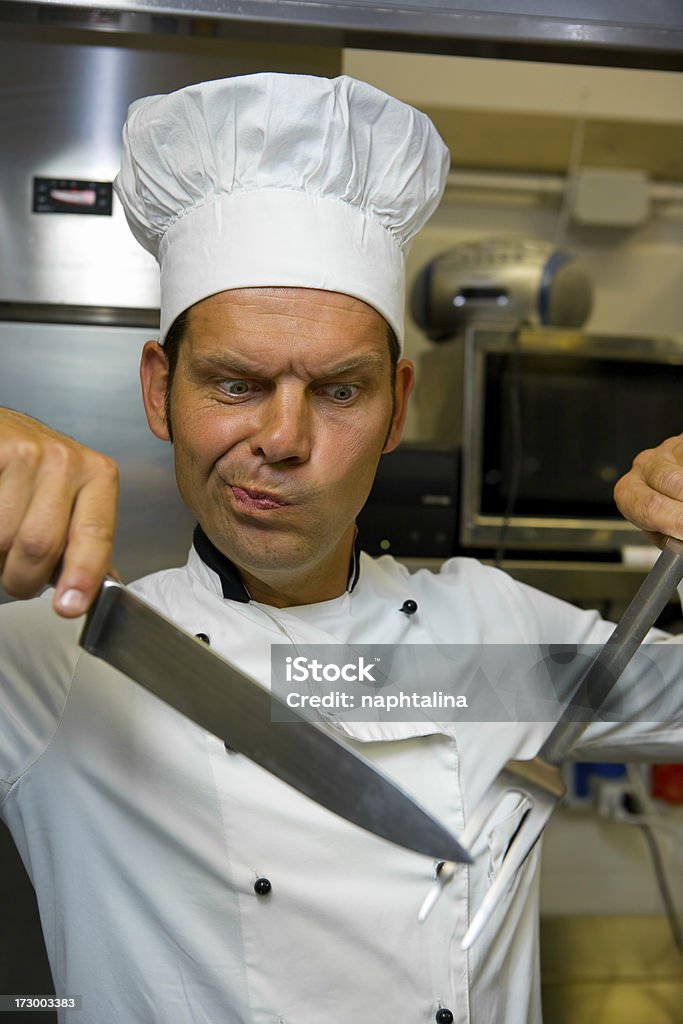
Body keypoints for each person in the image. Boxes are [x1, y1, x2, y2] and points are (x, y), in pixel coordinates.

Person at [0, 73, 682, 1024]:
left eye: (338, 391)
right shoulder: (53, 658)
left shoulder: (489, 633)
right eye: (235, 384)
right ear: (159, 390)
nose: (281, 439)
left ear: (398, 404)